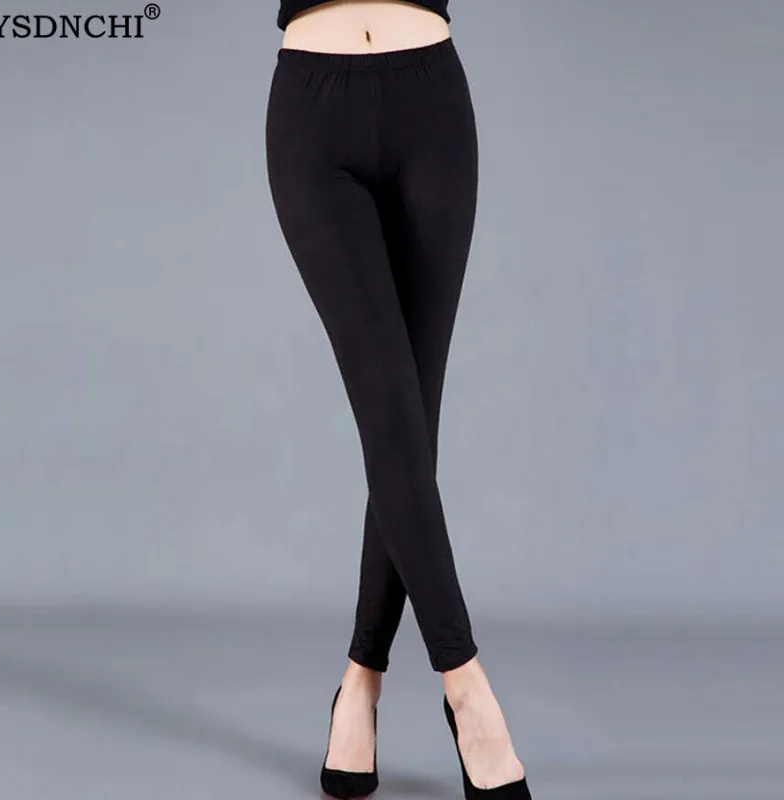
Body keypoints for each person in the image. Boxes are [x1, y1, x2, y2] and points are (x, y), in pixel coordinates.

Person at [265, 2, 532, 798]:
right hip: (312, 116)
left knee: (413, 423)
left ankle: (360, 683)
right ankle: (466, 684)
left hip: (432, 103)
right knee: (389, 412)